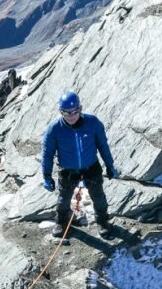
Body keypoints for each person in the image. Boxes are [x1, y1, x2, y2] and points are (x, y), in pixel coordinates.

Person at [41, 91, 120, 239]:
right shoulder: (54, 129)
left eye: (75, 112)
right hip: (68, 170)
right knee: (63, 199)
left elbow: (103, 145)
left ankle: (103, 222)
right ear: (61, 112)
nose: (71, 116)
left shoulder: (93, 123)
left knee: (98, 197)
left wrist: (110, 165)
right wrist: (46, 176)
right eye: (67, 113)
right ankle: (62, 222)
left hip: (91, 167)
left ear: (80, 108)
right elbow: (47, 153)